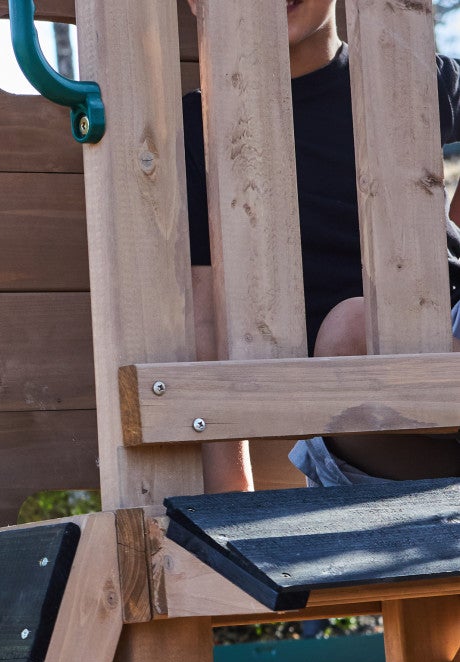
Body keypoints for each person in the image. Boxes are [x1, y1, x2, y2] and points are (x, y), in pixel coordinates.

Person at [182, 0, 460, 491]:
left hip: (451, 331)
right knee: (350, 330)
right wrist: (231, 492)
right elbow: (204, 314)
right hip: (364, 420)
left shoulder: (409, 79)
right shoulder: (197, 127)